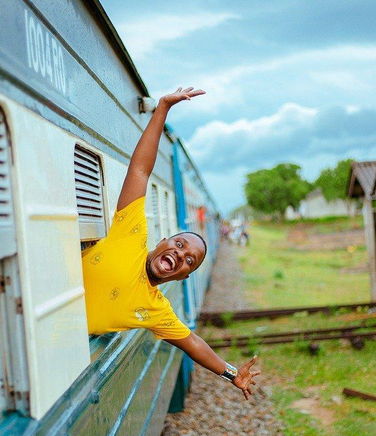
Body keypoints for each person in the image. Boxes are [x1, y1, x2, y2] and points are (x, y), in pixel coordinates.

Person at [82, 87, 260, 400]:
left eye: (189, 261)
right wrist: (162, 108)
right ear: (163, 241)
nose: (180, 256)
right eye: (179, 245)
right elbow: (140, 169)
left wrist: (232, 374)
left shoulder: (156, 309)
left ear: (182, 277)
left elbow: (193, 344)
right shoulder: (130, 235)